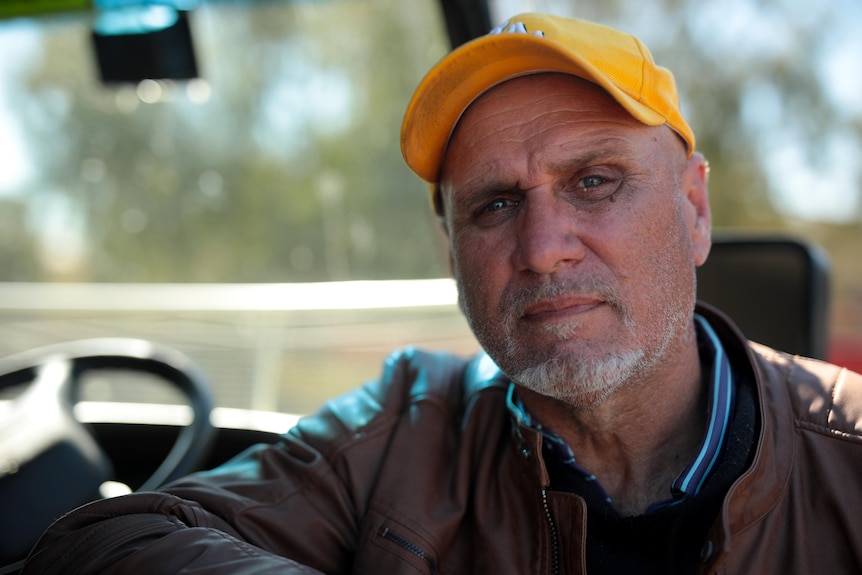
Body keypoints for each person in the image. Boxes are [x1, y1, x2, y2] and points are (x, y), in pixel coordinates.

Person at [22, 12, 862, 575]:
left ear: (694, 208)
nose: (539, 249)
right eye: (494, 205)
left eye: (596, 181)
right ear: (452, 250)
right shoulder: (407, 417)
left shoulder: (847, 453)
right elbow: (96, 541)